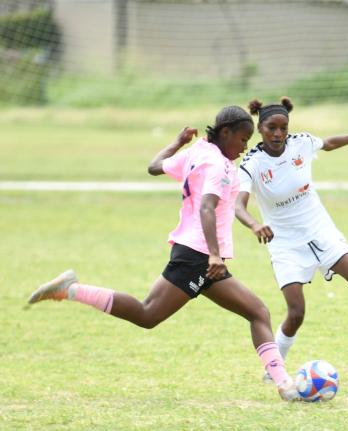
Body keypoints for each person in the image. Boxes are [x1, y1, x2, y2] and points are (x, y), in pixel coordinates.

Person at [27, 105, 300, 402]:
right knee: (147, 315)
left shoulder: (198, 151)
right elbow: (207, 208)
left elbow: (155, 166)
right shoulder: (219, 166)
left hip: (196, 254)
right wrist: (214, 255)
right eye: (242, 139)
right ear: (225, 133)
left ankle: (283, 384)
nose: (245, 146)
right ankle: (72, 290)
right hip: (200, 256)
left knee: (257, 311)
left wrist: (178, 142)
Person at [235, 97, 348, 382]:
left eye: (283, 128)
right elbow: (238, 205)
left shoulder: (300, 142)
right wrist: (254, 224)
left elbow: (329, 143)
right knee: (297, 312)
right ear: (260, 129)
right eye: (271, 128)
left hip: (319, 230)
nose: (278, 134)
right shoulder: (252, 163)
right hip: (285, 243)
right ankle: (274, 367)